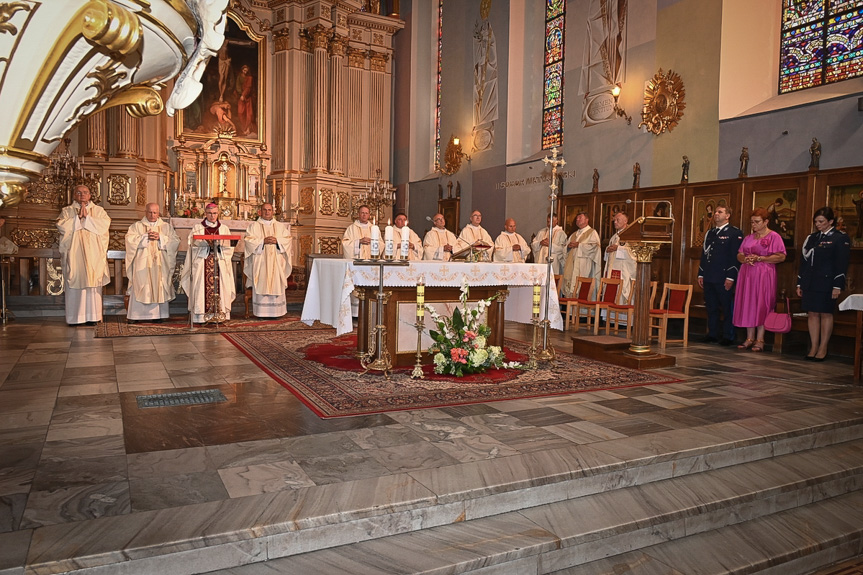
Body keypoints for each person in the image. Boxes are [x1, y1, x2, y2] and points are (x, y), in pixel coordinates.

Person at [796, 207, 851, 361]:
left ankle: (823, 347)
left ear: (831, 222)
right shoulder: (812, 238)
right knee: (812, 313)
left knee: (826, 313)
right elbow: (804, 262)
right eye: (816, 222)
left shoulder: (840, 238)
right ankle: (813, 346)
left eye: (821, 222)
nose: (818, 224)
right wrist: (800, 283)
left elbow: (842, 264)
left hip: (827, 282)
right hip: (810, 281)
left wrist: (837, 285)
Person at [733, 207, 787, 352]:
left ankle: (760, 339)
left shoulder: (774, 236)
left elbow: (781, 256)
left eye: (757, 222)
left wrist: (761, 258)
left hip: (764, 274)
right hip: (747, 273)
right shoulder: (748, 238)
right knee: (748, 303)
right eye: (752, 222)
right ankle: (749, 337)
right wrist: (745, 259)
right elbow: (739, 254)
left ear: (766, 221)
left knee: (761, 303)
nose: (754, 225)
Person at [56, 185, 111, 326]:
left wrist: (87, 219)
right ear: (74, 195)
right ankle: (75, 318)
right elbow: (61, 226)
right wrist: (77, 218)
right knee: (75, 281)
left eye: (85, 192)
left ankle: (93, 317)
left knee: (93, 284)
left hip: (94, 255)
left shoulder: (99, 211)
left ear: (90, 195)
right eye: (79, 193)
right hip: (74, 254)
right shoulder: (67, 211)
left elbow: (105, 225)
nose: (82, 195)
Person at [180, 203, 236, 323]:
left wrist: (219, 244)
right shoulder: (198, 228)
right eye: (210, 213)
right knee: (201, 286)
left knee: (221, 285)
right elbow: (191, 244)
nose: (212, 216)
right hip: (202, 260)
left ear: (218, 213)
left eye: (215, 213)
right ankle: (201, 316)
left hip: (219, 261)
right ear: (205, 213)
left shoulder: (224, 229)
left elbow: (229, 246)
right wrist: (204, 243)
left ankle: (220, 315)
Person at [124, 203, 180, 322]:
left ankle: (159, 315)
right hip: (142, 263)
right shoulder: (137, 226)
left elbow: (175, 241)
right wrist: (144, 237)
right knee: (141, 284)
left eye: (155, 212)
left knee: (159, 283)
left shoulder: (166, 227)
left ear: (158, 213)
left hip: (160, 263)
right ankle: (136, 316)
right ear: (145, 212)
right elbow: (129, 240)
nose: (152, 215)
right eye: (150, 212)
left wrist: (161, 238)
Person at [698, 205, 744, 346]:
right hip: (709, 275)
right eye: (716, 212)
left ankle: (728, 335)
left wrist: (730, 277)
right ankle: (713, 334)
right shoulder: (710, 233)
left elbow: (734, 257)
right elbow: (705, 255)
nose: (716, 214)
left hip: (723, 276)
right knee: (711, 306)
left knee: (726, 306)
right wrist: (701, 273)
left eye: (720, 212)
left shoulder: (734, 233)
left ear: (728, 215)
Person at [243, 202, 292, 318]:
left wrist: (277, 241)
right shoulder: (253, 226)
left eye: (269, 210)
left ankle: (277, 312)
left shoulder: (280, 226)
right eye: (264, 210)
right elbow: (248, 240)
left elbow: (288, 239)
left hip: (277, 261)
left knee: (276, 282)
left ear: (273, 211)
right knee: (261, 281)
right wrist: (262, 242)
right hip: (261, 261)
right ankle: (261, 312)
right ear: (260, 211)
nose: (267, 212)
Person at [561, 212, 601, 299]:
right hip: (571, 265)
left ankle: (582, 311)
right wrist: (568, 247)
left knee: (582, 290)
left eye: (580, 218)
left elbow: (595, 247)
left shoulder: (592, 232)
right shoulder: (573, 234)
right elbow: (564, 250)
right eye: (577, 218)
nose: (577, 220)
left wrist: (579, 245)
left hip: (584, 266)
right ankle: (570, 312)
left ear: (587, 220)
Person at [604, 212, 637, 303]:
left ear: (625, 221)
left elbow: (635, 253)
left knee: (621, 295)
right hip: (613, 270)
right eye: (614, 220)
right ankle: (610, 317)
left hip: (624, 272)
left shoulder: (632, 235)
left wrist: (618, 248)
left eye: (617, 220)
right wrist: (608, 250)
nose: (615, 222)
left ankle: (622, 316)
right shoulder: (614, 237)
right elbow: (609, 256)